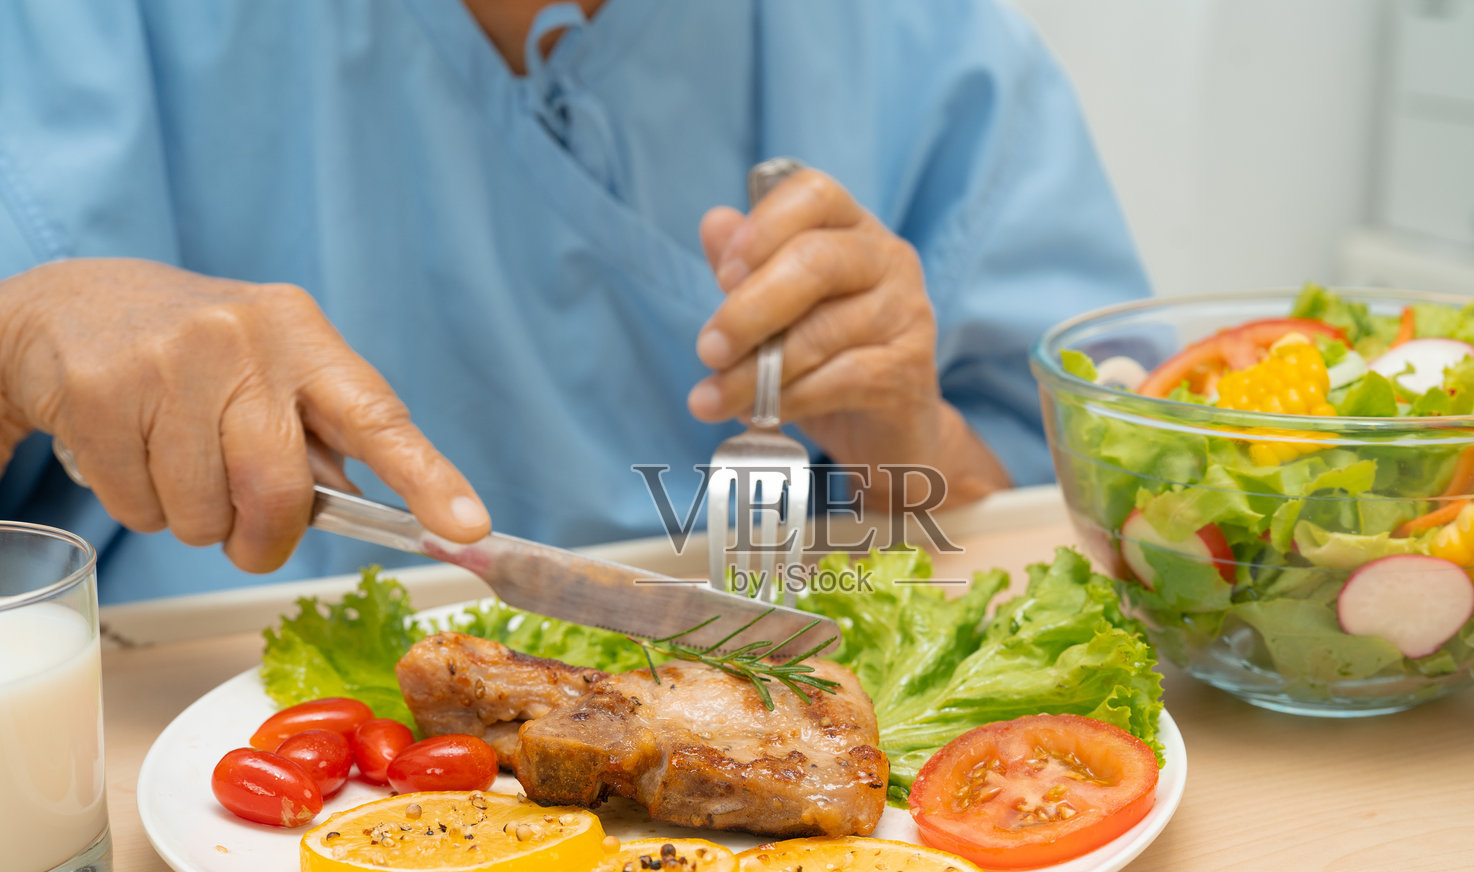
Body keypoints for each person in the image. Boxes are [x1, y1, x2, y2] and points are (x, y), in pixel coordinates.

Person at [0, 0, 1146, 602]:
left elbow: (1115, 552)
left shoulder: (924, 44)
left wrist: (911, 449)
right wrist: (16, 345)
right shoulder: (68, 37)